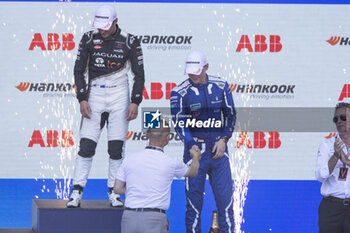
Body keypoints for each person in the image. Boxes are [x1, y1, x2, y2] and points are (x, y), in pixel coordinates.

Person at [66, 4, 145, 208]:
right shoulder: (89, 38)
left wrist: (135, 102)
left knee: (116, 148)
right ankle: (76, 192)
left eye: (106, 26)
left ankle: (115, 192)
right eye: (99, 26)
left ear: (116, 22)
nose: (102, 29)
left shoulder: (130, 41)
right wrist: (82, 98)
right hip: (95, 94)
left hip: (120, 94)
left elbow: (139, 74)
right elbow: (78, 70)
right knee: (86, 145)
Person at [170, 50, 236, 233]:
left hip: (219, 152)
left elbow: (231, 115)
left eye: (197, 71)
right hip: (195, 154)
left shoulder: (221, 85)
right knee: (194, 206)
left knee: (226, 204)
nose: (193, 75)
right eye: (190, 71)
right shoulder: (179, 92)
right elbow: (179, 123)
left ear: (206, 67)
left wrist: (224, 139)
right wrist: (191, 144)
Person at [114, 120, 201, 233]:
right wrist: (195, 156)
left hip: (129, 218)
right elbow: (192, 172)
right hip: (154, 219)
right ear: (167, 138)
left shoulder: (129, 158)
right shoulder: (171, 162)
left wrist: (138, 190)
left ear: (147, 134)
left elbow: (117, 188)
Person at [316, 102, 350, 233]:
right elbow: (320, 176)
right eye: (336, 119)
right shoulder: (327, 145)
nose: (339, 121)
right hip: (331, 208)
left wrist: (346, 161)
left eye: (343, 117)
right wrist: (335, 156)